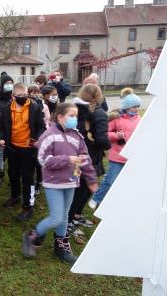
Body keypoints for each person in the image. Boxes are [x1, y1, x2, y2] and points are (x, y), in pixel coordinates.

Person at [22, 103, 97, 264]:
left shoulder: (77, 137)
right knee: (56, 217)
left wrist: (91, 179)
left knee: (64, 216)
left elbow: (85, 159)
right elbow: (43, 159)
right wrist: (67, 160)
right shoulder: (49, 135)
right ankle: (32, 236)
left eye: (76, 116)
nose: (74, 119)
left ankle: (60, 246)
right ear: (60, 117)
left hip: (71, 182)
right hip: (54, 183)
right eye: (71, 115)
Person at [0, 83, 46, 221]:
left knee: (28, 178)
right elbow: (0, 127)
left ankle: (28, 206)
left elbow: (41, 127)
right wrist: (1, 138)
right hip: (12, 148)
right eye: (20, 96)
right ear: (13, 96)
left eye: (25, 95)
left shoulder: (34, 108)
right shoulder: (6, 109)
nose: (23, 98)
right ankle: (15, 196)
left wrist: (36, 138)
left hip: (28, 150)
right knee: (12, 174)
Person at [67, 84, 110, 236]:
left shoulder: (74, 108)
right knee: (82, 190)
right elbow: (102, 139)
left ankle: (75, 216)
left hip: (76, 155)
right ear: (99, 96)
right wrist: (108, 143)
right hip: (90, 157)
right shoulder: (98, 113)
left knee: (78, 188)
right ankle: (69, 221)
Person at [89, 88, 141, 209]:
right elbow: (104, 133)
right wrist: (116, 136)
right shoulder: (117, 119)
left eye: (137, 106)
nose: (136, 109)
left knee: (126, 182)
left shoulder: (139, 119)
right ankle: (96, 198)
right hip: (117, 156)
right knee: (110, 180)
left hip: (132, 157)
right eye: (134, 106)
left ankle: (118, 201)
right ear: (127, 107)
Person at [28, 85, 48, 194]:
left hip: (39, 137)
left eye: (36, 92)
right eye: (32, 92)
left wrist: (38, 137)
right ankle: (31, 183)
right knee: (31, 163)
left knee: (38, 161)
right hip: (29, 138)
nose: (34, 94)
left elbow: (45, 123)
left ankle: (39, 182)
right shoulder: (27, 105)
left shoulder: (42, 106)